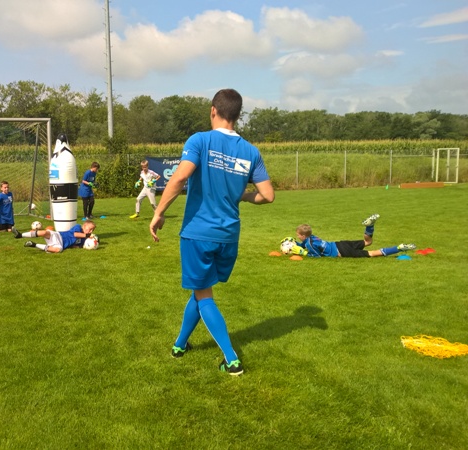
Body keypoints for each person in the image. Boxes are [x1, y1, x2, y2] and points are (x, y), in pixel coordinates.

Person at [149, 88, 274, 376]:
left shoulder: (200, 140)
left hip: (199, 232)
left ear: (213, 110)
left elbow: (180, 177)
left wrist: (158, 212)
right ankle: (179, 345)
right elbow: (268, 195)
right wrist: (243, 196)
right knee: (200, 290)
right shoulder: (251, 151)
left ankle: (232, 360)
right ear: (238, 115)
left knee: (204, 295)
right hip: (229, 236)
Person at [288, 214, 416, 257]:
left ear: (303, 235)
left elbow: (316, 256)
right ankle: (369, 226)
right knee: (368, 242)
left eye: (297, 235)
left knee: (371, 253)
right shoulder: (311, 237)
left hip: (342, 251)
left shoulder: (309, 244)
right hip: (340, 243)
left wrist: (303, 253)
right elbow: (305, 244)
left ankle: (399, 248)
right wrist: (294, 243)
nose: (297, 236)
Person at [12, 220, 96, 253]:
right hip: (58, 235)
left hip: (60, 244)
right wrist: (87, 235)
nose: (91, 231)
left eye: (92, 230)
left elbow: (76, 246)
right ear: (84, 226)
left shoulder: (84, 239)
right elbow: (75, 234)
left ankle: (33, 244)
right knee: (45, 232)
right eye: (90, 229)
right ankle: (20, 235)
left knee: (58, 250)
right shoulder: (78, 227)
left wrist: (90, 244)